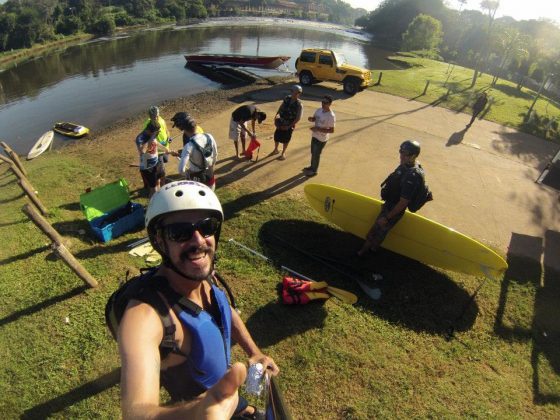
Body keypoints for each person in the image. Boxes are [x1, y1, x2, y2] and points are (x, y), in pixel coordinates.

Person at [118, 181, 279, 419]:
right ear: (159, 241)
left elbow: (223, 311)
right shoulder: (144, 316)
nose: (199, 241)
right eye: (179, 232)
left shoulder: (199, 275)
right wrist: (196, 413)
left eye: (207, 227)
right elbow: (136, 412)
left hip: (226, 398)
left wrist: (253, 352)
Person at [357, 140, 425, 256]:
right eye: (401, 151)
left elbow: (403, 202)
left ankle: (362, 253)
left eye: (405, 153)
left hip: (393, 209)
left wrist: (387, 217)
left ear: (413, 156)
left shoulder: (411, 176)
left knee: (376, 231)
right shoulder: (407, 164)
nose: (401, 155)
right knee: (380, 232)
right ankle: (372, 249)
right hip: (390, 205)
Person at [172, 114, 218, 191]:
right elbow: (215, 155)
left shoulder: (188, 146)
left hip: (197, 180)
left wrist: (188, 173)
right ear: (196, 126)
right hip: (210, 176)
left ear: (184, 130)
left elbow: (181, 170)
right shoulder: (209, 136)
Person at [303, 95, 336, 177]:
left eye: (325, 102)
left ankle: (314, 171)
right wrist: (311, 119)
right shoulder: (319, 110)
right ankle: (312, 167)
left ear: (330, 104)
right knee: (313, 153)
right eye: (322, 102)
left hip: (321, 139)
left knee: (316, 154)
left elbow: (331, 130)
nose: (323, 104)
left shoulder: (331, 116)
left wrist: (317, 129)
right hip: (314, 135)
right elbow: (315, 118)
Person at [135, 121, 168, 198]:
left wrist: (165, 149)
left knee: (161, 179)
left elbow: (156, 143)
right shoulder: (140, 138)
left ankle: (162, 197)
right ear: (150, 131)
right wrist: (151, 138)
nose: (157, 134)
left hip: (156, 163)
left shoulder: (153, 134)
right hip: (148, 168)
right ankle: (153, 204)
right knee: (154, 190)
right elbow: (142, 151)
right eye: (156, 132)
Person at [272, 85, 304, 160]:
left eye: (293, 92)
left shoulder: (299, 104)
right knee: (276, 136)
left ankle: (283, 153)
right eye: (292, 91)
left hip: (289, 124)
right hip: (281, 121)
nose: (292, 93)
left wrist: (289, 126)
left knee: (286, 139)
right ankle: (276, 149)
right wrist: (276, 117)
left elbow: (298, 118)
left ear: (298, 93)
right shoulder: (287, 98)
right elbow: (280, 108)